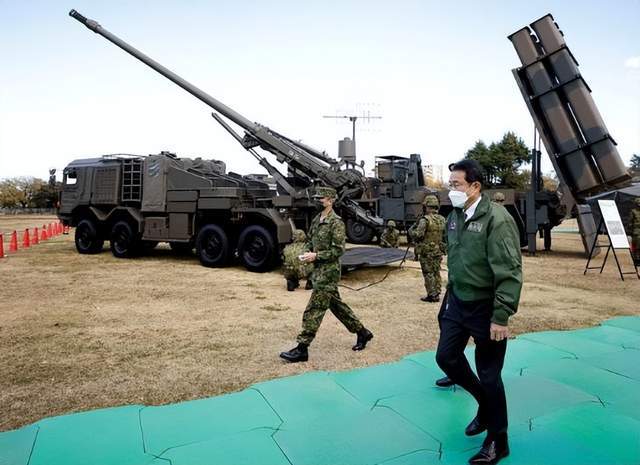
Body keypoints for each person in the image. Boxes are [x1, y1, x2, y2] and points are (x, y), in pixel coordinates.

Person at [435, 159, 522, 465]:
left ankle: (499, 440)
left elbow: (509, 271)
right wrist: (448, 298)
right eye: (450, 185)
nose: (452, 190)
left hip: (486, 307)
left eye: (456, 185)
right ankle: (485, 405)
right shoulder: (455, 216)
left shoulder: (497, 219)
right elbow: (458, 259)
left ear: (475, 187)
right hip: (458, 301)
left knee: (489, 374)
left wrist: (501, 316)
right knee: (446, 357)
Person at [279, 186, 373, 363]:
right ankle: (363, 332)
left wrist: (317, 255)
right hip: (318, 271)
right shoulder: (317, 219)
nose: (317, 200)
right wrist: (305, 254)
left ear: (330, 200)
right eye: (316, 197)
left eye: (320, 198)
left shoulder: (336, 222)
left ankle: (302, 348)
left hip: (328, 273)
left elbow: (338, 250)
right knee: (338, 307)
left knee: (313, 310)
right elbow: (310, 240)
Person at [408, 195, 446, 302]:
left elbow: (418, 235)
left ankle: (432, 295)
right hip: (438, 250)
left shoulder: (425, 220)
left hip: (427, 251)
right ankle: (437, 292)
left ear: (427, 206)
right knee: (436, 271)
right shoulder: (442, 219)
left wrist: (411, 231)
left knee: (428, 272)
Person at [630, 198, 640, 265]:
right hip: (636, 231)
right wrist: (631, 231)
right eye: (638, 203)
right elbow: (630, 222)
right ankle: (636, 259)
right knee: (636, 246)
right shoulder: (633, 211)